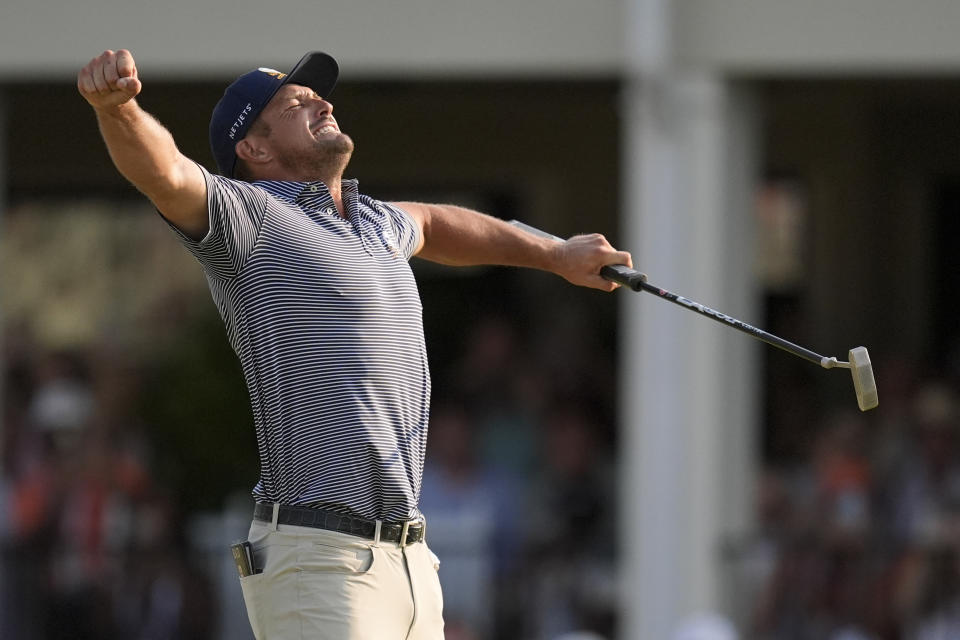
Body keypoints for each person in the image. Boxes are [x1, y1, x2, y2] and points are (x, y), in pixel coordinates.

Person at [77, 48, 633, 640]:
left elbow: (439, 224)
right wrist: (120, 110)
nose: (323, 101)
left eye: (318, 96)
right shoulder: (247, 219)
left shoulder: (374, 221)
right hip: (319, 558)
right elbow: (165, 173)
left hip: (409, 560)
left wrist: (555, 254)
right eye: (296, 103)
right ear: (254, 148)